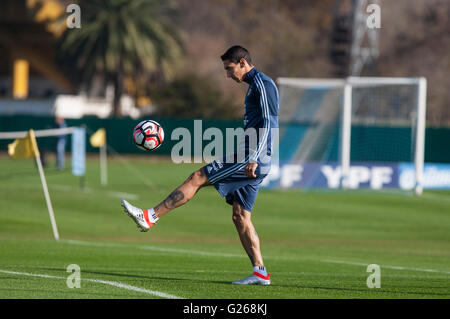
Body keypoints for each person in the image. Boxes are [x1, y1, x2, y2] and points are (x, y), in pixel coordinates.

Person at [121, 45, 279, 285]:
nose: (228, 74)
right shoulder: (254, 85)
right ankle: (260, 272)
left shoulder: (262, 84)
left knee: (197, 177)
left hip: (253, 157)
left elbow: (268, 123)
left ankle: (150, 216)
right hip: (253, 154)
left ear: (243, 62)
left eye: (230, 68)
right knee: (240, 217)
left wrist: (254, 157)